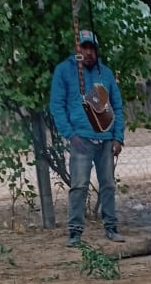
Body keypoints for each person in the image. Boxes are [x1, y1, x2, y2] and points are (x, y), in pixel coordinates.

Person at [49, 30, 125, 247]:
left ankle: (111, 227)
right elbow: (57, 105)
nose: (89, 52)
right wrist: (69, 134)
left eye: (92, 48)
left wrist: (118, 137)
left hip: (106, 138)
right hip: (80, 138)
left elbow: (117, 106)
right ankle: (75, 232)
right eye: (85, 47)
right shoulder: (64, 71)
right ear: (77, 48)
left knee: (108, 184)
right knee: (79, 185)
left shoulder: (106, 73)